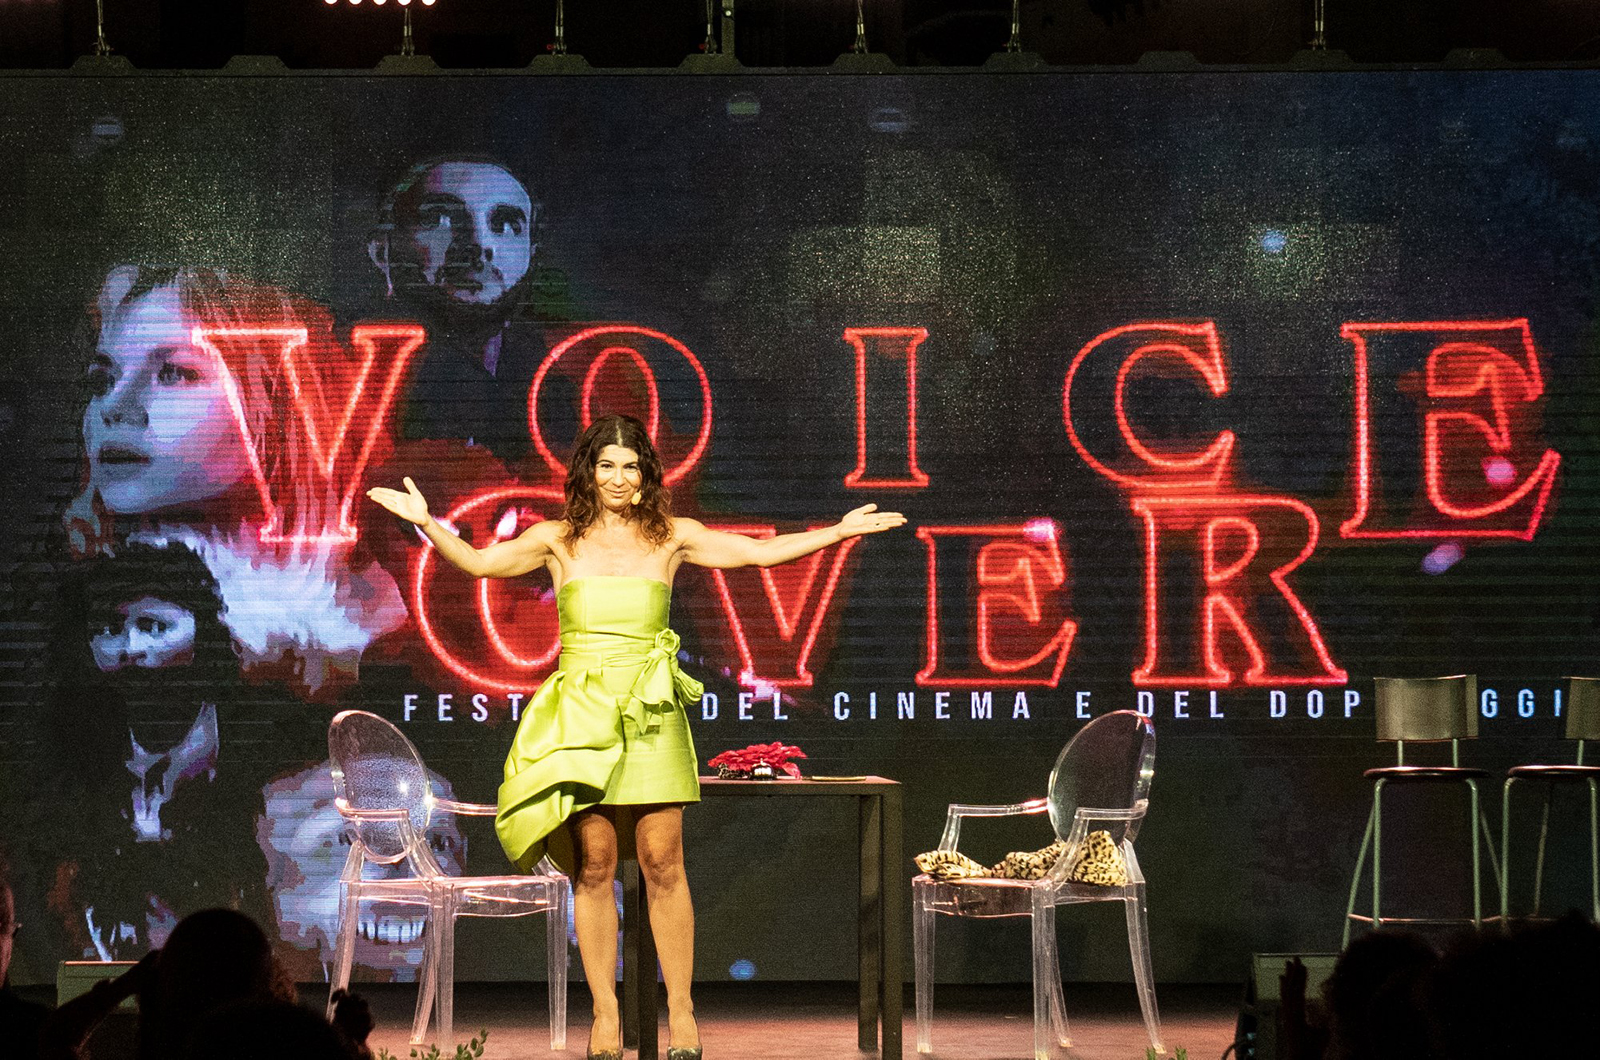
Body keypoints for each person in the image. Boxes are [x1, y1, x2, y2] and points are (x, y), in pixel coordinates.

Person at [367, 413, 906, 1060]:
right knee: (595, 864)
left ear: (646, 475)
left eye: (630, 466)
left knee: (663, 860)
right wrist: (428, 522)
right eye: (607, 466)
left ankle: (682, 1011)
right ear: (588, 473)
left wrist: (838, 533)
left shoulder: (671, 537)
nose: (619, 478)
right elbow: (480, 564)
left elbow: (757, 554)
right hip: (583, 714)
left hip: (651, 714)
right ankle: (605, 1014)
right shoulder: (556, 539)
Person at [63, 264, 406, 693]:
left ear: (275, 397)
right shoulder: (88, 607)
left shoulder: (373, 620)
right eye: (102, 380)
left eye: (174, 373)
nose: (114, 406)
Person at [366, 157, 544, 464]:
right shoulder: (347, 387)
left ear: (531, 253)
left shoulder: (557, 384)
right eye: (440, 220)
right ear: (383, 251)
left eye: (505, 225)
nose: (479, 243)